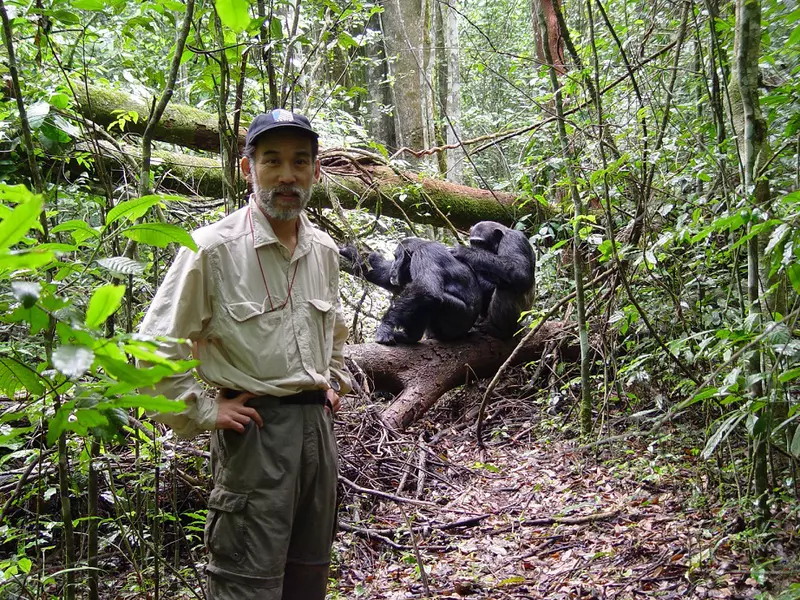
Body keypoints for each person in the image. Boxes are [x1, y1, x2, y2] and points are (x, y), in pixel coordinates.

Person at [137, 108, 351, 600]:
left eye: (300, 162)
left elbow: (335, 330)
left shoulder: (322, 249)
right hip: (254, 434)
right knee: (245, 584)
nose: (287, 176)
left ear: (316, 171)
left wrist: (333, 381)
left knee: (308, 575)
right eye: (271, 160)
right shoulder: (211, 248)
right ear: (247, 168)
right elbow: (152, 346)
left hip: (316, 434)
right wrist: (204, 409)